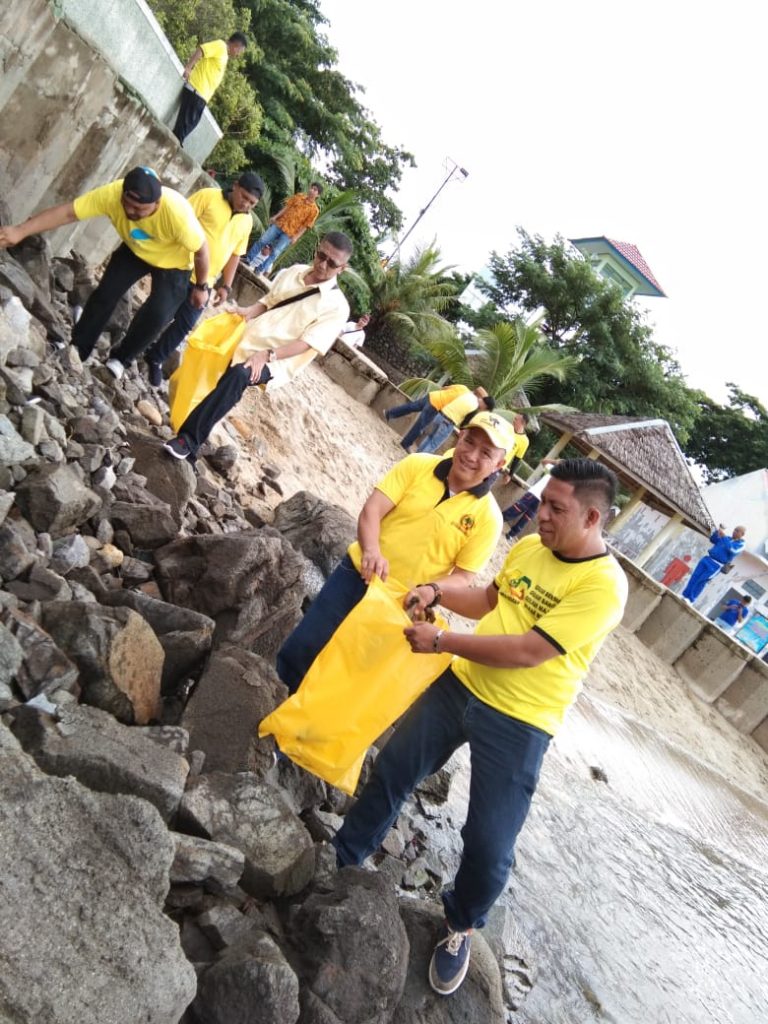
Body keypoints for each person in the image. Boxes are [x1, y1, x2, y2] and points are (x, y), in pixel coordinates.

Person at [332, 459, 627, 997]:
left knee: (489, 844)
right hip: (461, 686)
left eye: (556, 509)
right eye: (542, 501)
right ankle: (345, 855)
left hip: (521, 720)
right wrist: (437, 593)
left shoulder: (604, 585)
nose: (541, 515)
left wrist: (442, 641)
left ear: (591, 518)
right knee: (394, 770)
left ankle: (461, 924)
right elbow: (492, 599)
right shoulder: (531, 549)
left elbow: (527, 650)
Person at [276, 410, 516, 694]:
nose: (472, 455)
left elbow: (463, 577)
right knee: (306, 645)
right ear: (459, 436)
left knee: (346, 674)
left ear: (499, 465)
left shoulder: (488, 518)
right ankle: (265, 700)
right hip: (355, 576)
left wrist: (432, 590)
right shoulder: (418, 465)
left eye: (486, 453)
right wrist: (372, 551)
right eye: (470, 441)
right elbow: (372, 511)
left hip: (398, 604)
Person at [0, 167, 209, 375]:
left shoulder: (177, 214)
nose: (131, 212)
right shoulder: (111, 195)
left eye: (139, 209)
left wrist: (201, 286)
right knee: (105, 294)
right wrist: (19, 231)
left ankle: (121, 358)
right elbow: (68, 213)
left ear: (157, 203)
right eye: (128, 205)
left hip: (174, 263)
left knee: (158, 314)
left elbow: (201, 252)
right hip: (135, 249)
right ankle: (79, 348)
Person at [162, 231, 352, 461]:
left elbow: (307, 343)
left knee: (239, 376)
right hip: (251, 337)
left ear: (342, 268)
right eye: (321, 255)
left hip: (278, 361)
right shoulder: (294, 272)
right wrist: (246, 311)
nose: (322, 264)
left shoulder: (337, 307)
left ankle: (188, 439)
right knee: (215, 372)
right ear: (317, 249)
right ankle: (190, 441)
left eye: (331, 263)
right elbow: (268, 302)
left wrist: (267, 355)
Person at [143, 171, 265, 387]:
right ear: (235, 186)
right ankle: (132, 347)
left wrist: (226, 286)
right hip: (180, 267)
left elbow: (235, 254)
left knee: (185, 324)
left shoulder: (246, 223)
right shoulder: (208, 196)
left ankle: (155, 357)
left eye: (252, 203)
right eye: (244, 197)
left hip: (206, 282)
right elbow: (180, 219)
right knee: (159, 312)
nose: (246, 204)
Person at [173, 33, 248, 144]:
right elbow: (201, 50)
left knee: (185, 129)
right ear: (236, 46)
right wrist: (188, 68)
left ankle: (170, 149)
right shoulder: (220, 46)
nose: (238, 55)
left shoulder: (224, 55)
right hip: (195, 91)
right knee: (181, 131)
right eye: (239, 51)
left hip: (201, 97)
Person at [243, 184, 323, 274]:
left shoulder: (314, 210)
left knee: (275, 252)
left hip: (290, 233)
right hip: (279, 224)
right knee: (262, 241)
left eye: (315, 190)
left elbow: (306, 226)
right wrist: (276, 217)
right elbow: (287, 207)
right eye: (311, 188)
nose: (311, 190)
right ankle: (248, 259)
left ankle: (260, 269)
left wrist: (296, 237)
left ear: (318, 195)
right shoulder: (299, 196)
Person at [385, 383, 472, 451]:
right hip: (436, 406)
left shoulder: (463, 388)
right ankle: (405, 444)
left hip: (433, 396)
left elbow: (445, 388)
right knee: (420, 426)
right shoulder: (467, 401)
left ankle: (389, 413)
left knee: (411, 407)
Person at [417, 387, 495, 454]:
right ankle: (419, 461)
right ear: (485, 406)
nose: (482, 410)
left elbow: (479, 389)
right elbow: (465, 424)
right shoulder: (474, 408)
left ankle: (414, 456)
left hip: (440, 415)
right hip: (447, 423)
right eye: (485, 409)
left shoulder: (469, 395)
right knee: (433, 444)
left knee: (429, 438)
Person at [682, 525, 746, 604]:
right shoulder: (727, 538)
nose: (734, 531)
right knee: (695, 576)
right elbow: (713, 540)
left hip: (716, 565)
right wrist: (718, 532)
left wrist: (724, 537)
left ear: (742, 534)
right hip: (707, 558)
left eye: (737, 531)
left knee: (702, 580)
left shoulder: (741, 545)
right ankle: (685, 595)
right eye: (734, 529)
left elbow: (732, 550)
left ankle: (691, 599)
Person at [501, 459, 556, 541]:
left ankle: (511, 534)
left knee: (526, 518)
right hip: (534, 494)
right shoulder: (554, 470)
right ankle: (500, 519)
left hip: (543, 501)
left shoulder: (567, 481)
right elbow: (543, 461)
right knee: (516, 509)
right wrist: (555, 462)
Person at [501, 413, 531, 477]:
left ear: (523, 423)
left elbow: (517, 459)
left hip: (499, 467)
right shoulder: (507, 428)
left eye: (516, 419)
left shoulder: (525, 441)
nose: (513, 420)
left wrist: (510, 475)